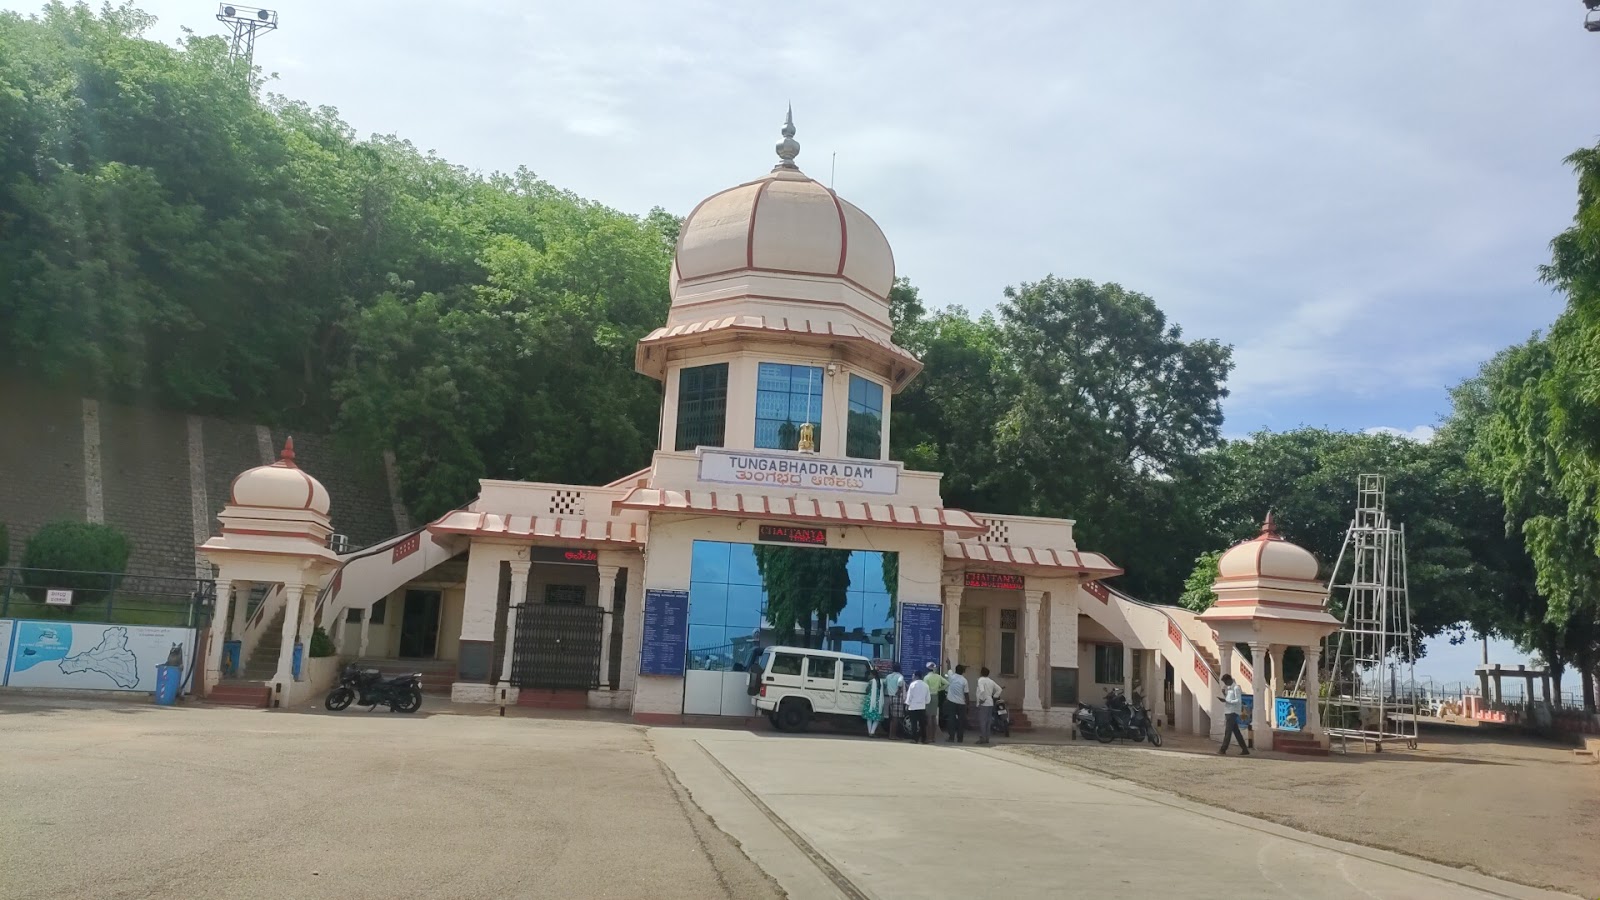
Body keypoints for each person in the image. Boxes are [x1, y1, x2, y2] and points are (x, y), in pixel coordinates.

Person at [1219, 674, 1250, 756]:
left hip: (1233, 712)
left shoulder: (1236, 688)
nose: (1225, 684)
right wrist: (1225, 695)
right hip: (1228, 711)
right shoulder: (1228, 689)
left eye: (1225, 682)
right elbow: (1229, 699)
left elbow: (1238, 701)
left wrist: (1227, 701)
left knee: (1228, 731)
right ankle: (1244, 749)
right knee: (1236, 731)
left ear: (1229, 680)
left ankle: (1223, 749)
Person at [976, 667, 1002, 745]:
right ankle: (987, 738)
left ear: (981, 673)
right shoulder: (991, 681)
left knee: (982, 721)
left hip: (984, 703)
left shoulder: (980, 680)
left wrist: (982, 699)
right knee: (988, 721)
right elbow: (999, 689)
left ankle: (983, 738)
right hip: (990, 702)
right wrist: (994, 697)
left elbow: (982, 690)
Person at [944, 664, 969, 743]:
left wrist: (948, 662)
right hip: (961, 703)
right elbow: (966, 693)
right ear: (963, 672)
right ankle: (960, 738)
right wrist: (968, 704)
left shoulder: (952, 677)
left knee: (951, 720)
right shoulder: (964, 680)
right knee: (961, 721)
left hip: (951, 702)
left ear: (956, 670)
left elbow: (949, 669)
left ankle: (951, 737)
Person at [904, 671, 931, 744]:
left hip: (913, 707)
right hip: (922, 707)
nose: (912, 677)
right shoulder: (926, 685)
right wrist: (924, 702)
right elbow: (928, 699)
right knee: (922, 724)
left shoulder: (912, 685)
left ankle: (914, 739)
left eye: (913, 675)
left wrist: (907, 704)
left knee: (914, 724)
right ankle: (924, 739)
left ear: (916, 676)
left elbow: (909, 696)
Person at [922, 662, 948, 737]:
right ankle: (933, 737)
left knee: (929, 717)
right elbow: (947, 683)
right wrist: (940, 689)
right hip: (935, 696)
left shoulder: (926, 678)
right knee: (934, 717)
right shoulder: (938, 677)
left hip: (928, 696)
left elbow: (925, 688)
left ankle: (929, 736)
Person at [883, 663, 906, 740]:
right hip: (897, 697)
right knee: (896, 718)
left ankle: (890, 734)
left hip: (890, 697)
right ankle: (893, 735)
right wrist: (899, 690)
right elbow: (900, 683)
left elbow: (884, 683)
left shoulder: (888, 676)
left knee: (892, 717)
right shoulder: (900, 676)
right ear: (899, 669)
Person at [861, 668, 886, 736]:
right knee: (877, 718)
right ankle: (872, 732)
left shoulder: (871, 682)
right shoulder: (882, 682)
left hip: (871, 700)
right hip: (879, 701)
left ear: (873, 675)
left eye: (870, 674)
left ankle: (870, 732)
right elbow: (884, 690)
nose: (869, 676)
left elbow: (867, 690)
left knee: (869, 717)